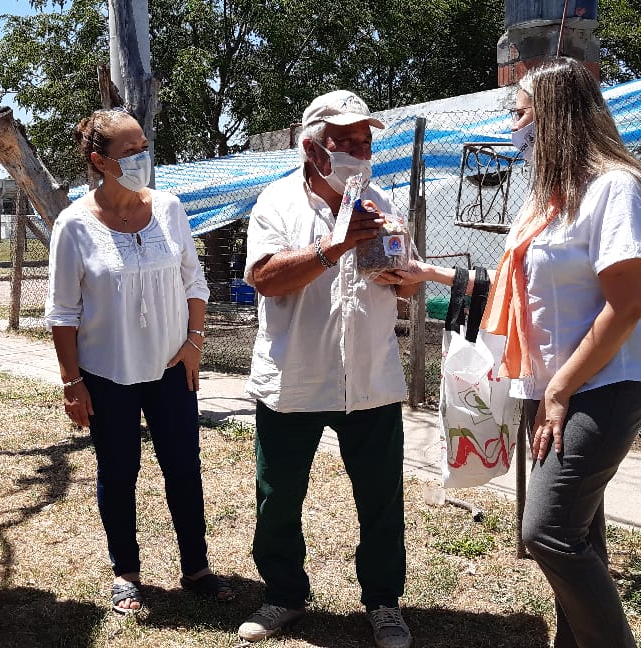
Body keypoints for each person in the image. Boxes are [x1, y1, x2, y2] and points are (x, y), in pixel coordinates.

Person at [484, 58, 641, 648]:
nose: (513, 127)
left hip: (602, 387)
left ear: (554, 115)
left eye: (521, 114)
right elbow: (522, 288)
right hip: (549, 391)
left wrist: (560, 390)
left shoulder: (615, 187)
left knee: (548, 532)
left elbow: (627, 305)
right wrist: (429, 274)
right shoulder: (551, 198)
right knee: (580, 536)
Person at [237, 90, 418, 648]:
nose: (361, 152)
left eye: (366, 142)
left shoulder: (383, 201)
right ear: (312, 148)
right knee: (278, 496)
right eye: (347, 142)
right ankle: (284, 595)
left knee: (381, 499)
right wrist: (332, 247)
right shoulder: (276, 202)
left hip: (370, 378)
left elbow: (406, 286)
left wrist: (399, 274)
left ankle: (383, 603)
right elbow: (264, 279)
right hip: (295, 376)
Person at [45, 108, 233, 615]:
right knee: (118, 470)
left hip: (172, 367)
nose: (141, 158)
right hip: (107, 374)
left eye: (144, 147)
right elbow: (62, 312)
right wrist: (72, 382)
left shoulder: (169, 208)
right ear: (99, 160)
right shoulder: (74, 224)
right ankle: (126, 573)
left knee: (184, 467)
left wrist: (194, 342)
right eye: (129, 151)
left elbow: (194, 280)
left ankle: (196, 566)